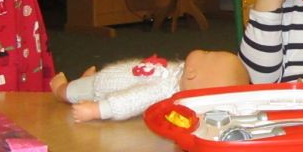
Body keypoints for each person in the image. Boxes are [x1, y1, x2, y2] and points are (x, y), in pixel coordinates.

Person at [51, 50, 249, 122]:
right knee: (89, 82)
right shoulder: (179, 76)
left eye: (207, 54)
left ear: (192, 73)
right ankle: (85, 79)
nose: (205, 51)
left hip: (102, 88)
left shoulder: (162, 91)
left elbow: (129, 101)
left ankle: (61, 88)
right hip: (110, 77)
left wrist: (97, 110)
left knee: (73, 91)